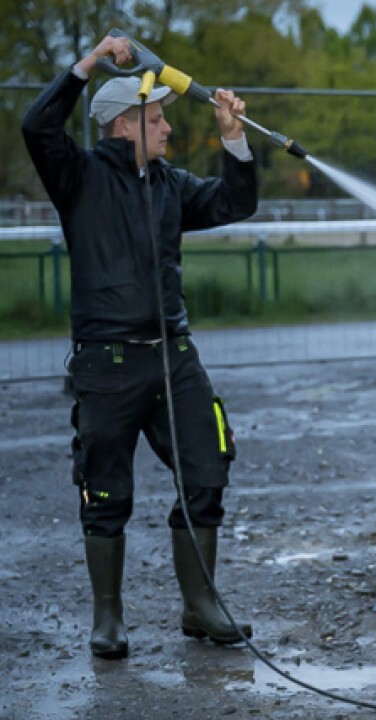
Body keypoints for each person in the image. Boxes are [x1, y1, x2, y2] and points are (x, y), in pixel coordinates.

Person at [22, 33, 257, 660]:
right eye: (157, 120)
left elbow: (236, 200)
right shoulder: (78, 177)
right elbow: (37, 124)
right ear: (124, 125)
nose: (168, 131)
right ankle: (108, 617)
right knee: (105, 492)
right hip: (106, 363)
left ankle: (200, 606)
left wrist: (233, 135)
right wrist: (92, 61)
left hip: (174, 357)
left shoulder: (171, 185)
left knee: (207, 468)